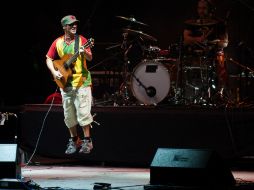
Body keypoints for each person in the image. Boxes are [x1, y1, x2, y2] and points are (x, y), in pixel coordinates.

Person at [46, 15, 94, 154]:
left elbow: (90, 57)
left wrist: (84, 52)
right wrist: (55, 73)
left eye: (75, 24)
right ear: (64, 27)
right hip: (65, 83)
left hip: (82, 81)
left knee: (83, 113)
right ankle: (74, 140)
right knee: (69, 115)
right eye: (71, 24)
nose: (74, 26)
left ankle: (87, 141)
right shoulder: (58, 42)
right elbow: (48, 58)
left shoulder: (82, 40)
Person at [183, 0, 229, 101]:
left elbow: (225, 42)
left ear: (211, 10)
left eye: (204, 8)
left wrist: (212, 43)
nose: (201, 11)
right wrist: (198, 40)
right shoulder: (192, 23)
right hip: (195, 55)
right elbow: (186, 39)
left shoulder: (219, 23)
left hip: (213, 54)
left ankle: (218, 93)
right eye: (199, 8)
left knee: (220, 58)